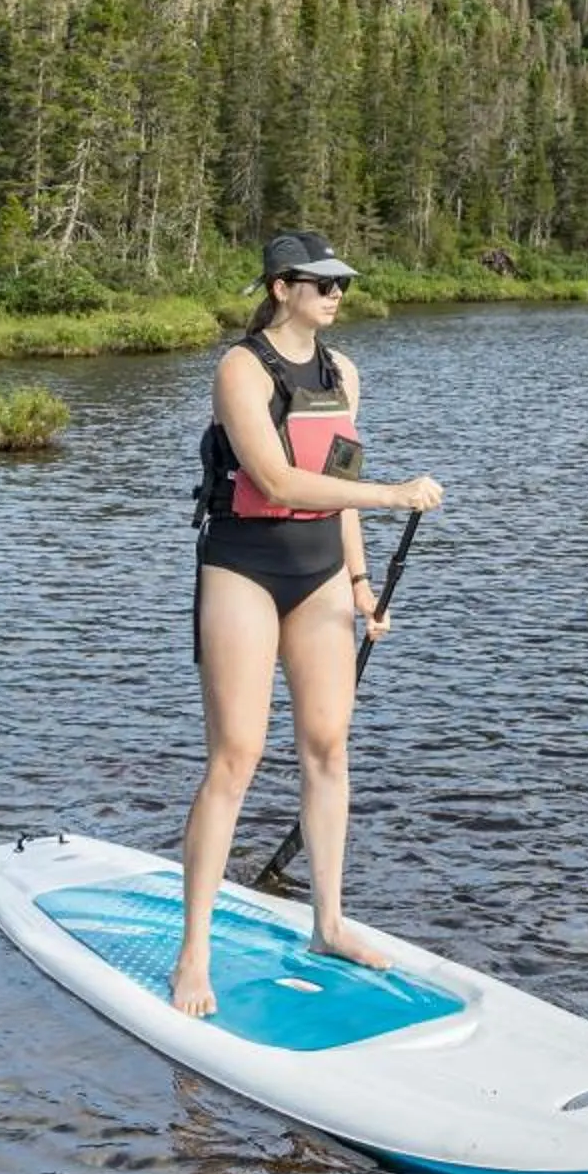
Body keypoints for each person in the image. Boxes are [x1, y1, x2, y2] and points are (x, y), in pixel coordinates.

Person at [172, 229, 443, 1017]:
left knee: (327, 745)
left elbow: (336, 482)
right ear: (281, 287)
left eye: (341, 284)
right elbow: (276, 479)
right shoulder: (240, 368)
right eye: (321, 284)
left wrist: (360, 583)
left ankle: (328, 924)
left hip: (320, 570)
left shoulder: (342, 372)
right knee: (237, 756)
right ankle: (194, 951)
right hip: (244, 566)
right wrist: (394, 495)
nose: (335, 295)